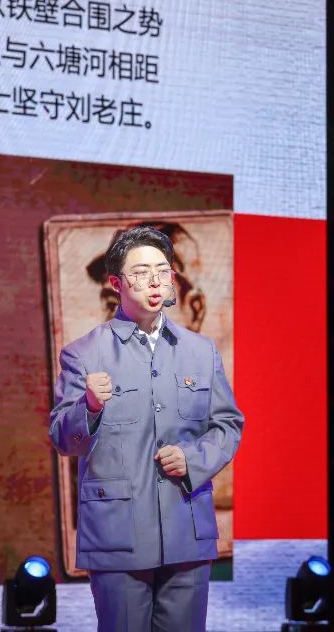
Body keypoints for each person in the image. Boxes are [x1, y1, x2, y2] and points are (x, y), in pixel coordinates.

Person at [49, 226, 244, 632]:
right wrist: (89, 406)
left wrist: (193, 460)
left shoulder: (201, 351)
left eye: (162, 271)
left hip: (187, 530)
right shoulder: (83, 354)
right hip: (117, 536)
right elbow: (63, 440)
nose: (154, 281)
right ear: (116, 283)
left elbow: (228, 424)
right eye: (140, 272)